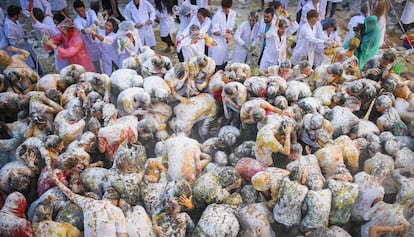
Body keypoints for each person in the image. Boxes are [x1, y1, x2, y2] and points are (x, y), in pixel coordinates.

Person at [3, 5, 37, 69]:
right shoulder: (9, 27)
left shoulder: (15, 20)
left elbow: (19, 31)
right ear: (15, 15)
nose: (20, 15)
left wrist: (25, 34)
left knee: (33, 59)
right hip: (19, 48)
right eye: (19, 14)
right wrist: (24, 39)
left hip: (25, 45)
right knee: (28, 65)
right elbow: (13, 42)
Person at [73, 0, 102, 73]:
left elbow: (95, 20)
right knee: (96, 62)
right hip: (90, 44)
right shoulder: (76, 20)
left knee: (106, 58)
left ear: (84, 8)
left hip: (99, 38)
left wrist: (94, 25)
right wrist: (86, 31)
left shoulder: (91, 12)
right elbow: (81, 29)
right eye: (78, 11)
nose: (80, 13)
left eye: (82, 10)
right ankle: (99, 75)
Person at [208, 0, 236, 71]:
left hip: (225, 41)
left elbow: (230, 26)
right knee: (216, 60)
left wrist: (229, 34)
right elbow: (214, 31)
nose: (224, 10)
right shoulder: (217, 15)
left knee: (224, 59)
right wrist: (223, 34)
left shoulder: (233, 13)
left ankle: (222, 71)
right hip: (217, 40)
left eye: (226, 8)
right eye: (223, 8)